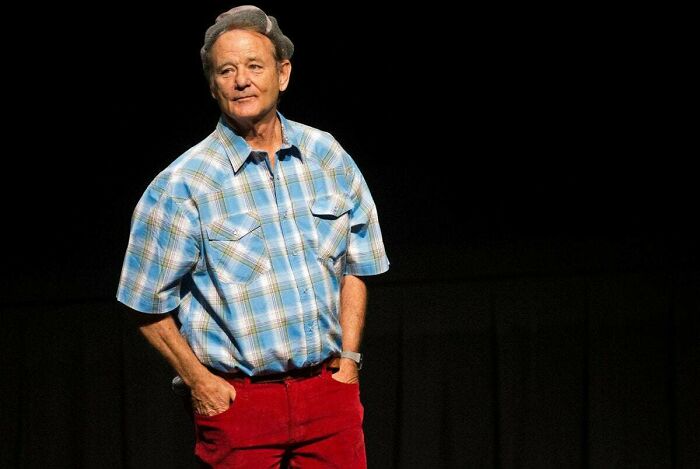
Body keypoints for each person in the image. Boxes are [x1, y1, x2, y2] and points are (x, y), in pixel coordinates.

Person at [116, 4, 389, 468]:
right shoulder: (183, 184)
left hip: (328, 395)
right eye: (227, 70)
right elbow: (142, 302)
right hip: (239, 405)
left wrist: (349, 361)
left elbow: (357, 264)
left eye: (254, 66)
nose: (241, 80)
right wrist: (200, 383)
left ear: (283, 74)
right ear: (213, 85)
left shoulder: (326, 155)